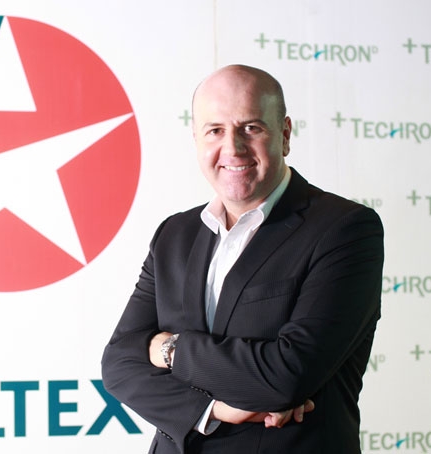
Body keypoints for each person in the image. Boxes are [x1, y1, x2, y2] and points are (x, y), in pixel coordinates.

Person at [101, 64, 384, 454]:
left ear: (285, 134)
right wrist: (214, 410)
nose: (232, 148)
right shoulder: (174, 234)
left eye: (251, 128)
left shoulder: (344, 229)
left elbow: (287, 377)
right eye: (215, 130)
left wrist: (170, 350)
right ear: (196, 139)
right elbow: (119, 363)